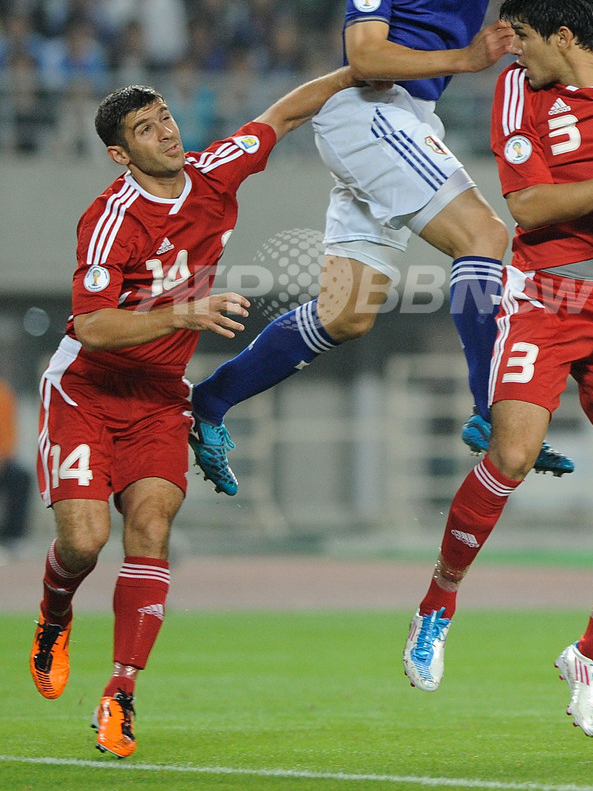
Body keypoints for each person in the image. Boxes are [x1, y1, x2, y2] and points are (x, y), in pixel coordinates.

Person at [188, 0, 574, 496]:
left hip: (406, 117)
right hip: (369, 106)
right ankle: (491, 410)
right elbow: (363, 57)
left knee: (347, 314)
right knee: (484, 237)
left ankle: (208, 401)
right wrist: (466, 57)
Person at [29, 64, 363, 758]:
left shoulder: (214, 172)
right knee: (85, 543)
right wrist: (184, 311)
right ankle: (54, 613)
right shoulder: (110, 218)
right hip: (87, 393)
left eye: (166, 118)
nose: (166, 132)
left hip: (157, 400)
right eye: (145, 130)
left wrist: (362, 64)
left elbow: (283, 114)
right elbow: (90, 326)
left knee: (151, 526)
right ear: (121, 154)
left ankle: (120, 693)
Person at [402, 0, 593, 737]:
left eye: (523, 37)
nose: (511, 49)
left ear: (566, 36)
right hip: (546, 296)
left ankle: (591, 653)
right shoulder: (514, 91)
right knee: (511, 455)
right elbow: (526, 207)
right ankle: (437, 602)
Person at [0, 377, 32, 553]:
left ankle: (13, 537)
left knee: (21, 476)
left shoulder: (3, 393)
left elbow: (8, 435)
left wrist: (3, 458)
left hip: (3, 460)